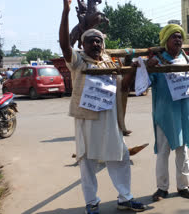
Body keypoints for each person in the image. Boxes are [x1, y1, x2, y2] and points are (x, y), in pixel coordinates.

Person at [59, 1, 145, 213]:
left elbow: (123, 86)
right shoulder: (78, 61)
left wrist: (132, 70)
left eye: (99, 41)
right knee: (87, 162)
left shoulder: (109, 62)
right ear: (83, 45)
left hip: (109, 118)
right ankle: (92, 203)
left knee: (120, 156)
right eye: (91, 41)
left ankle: (125, 198)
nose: (96, 44)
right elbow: (64, 46)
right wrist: (66, 12)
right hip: (87, 119)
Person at [147, 24, 189, 202]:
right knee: (163, 152)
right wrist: (148, 67)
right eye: (174, 36)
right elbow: (146, 83)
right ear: (166, 40)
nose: (178, 39)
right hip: (164, 114)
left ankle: (183, 186)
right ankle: (162, 188)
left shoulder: (187, 60)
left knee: (182, 151)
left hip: (183, 113)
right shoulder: (157, 60)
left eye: (180, 37)